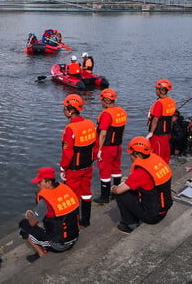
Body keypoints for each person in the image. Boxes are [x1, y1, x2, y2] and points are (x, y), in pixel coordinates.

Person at [111, 137, 173, 234]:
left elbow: (118, 190)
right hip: (163, 208)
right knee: (132, 188)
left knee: (121, 195)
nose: (130, 157)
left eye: (131, 154)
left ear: (137, 154)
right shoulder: (156, 159)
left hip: (153, 216)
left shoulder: (141, 173)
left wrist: (113, 188)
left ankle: (130, 224)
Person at [18, 167, 79, 262]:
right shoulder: (66, 189)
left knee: (23, 225)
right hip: (74, 237)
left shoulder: (44, 201)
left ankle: (41, 253)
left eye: (39, 182)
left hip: (58, 245)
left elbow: (32, 223)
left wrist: (29, 214)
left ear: (48, 183)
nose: (37, 185)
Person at [59, 94, 97, 227]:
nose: (63, 111)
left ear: (71, 110)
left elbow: (67, 153)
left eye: (64, 108)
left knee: (72, 196)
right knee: (86, 193)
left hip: (74, 169)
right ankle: (86, 221)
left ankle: (73, 224)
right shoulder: (90, 124)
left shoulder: (70, 129)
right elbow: (95, 145)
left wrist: (63, 168)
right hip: (88, 166)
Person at [93, 88, 128, 205]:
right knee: (116, 169)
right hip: (118, 145)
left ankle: (104, 197)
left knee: (105, 171)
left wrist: (99, 150)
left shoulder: (107, 114)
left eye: (102, 100)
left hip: (107, 147)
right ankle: (116, 191)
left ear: (107, 100)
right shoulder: (121, 111)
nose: (101, 102)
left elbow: (103, 133)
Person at [145, 79, 176, 164]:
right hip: (167, 132)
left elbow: (155, 119)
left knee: (156, 154)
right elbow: (172, 116)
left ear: (162, 90)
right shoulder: (171, 101)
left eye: (157, 89)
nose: (156, 91)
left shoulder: (160, 103)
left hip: (158, 133)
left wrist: (151, 132)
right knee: (165, 153)